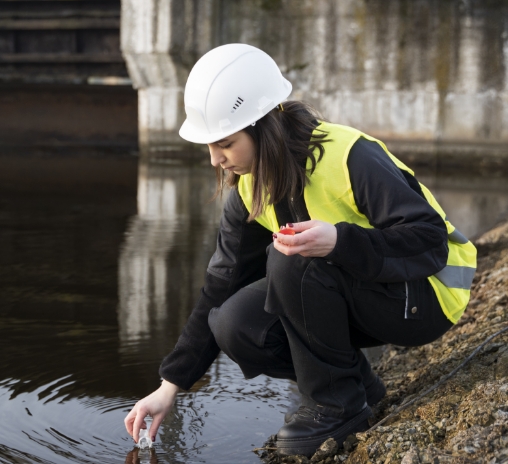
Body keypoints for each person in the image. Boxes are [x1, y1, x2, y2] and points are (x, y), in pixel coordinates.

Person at [124, 44, 477, 456]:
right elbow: (219, 288)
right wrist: (170, 386)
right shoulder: (249, 188)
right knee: (233, 323)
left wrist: (341, 241)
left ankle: (335, 407)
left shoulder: (349, 156)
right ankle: (357, 387)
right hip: (370, 291)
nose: (216, 160)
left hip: (427, 296)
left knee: (290, 260)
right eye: (209, 145)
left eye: (225, 143)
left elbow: (429, 239)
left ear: (263, 126)